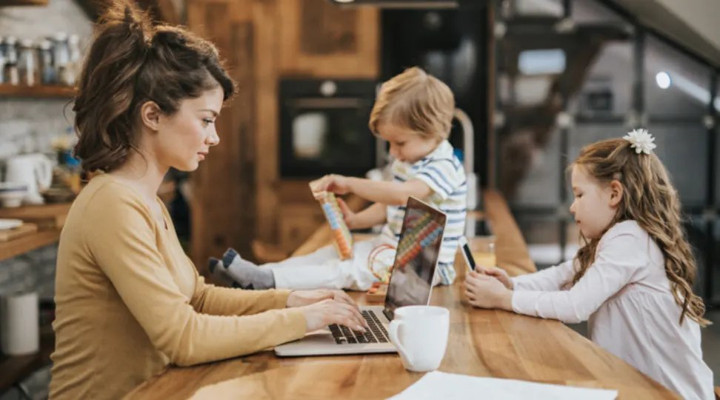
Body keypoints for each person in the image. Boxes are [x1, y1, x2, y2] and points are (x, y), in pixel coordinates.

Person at [49, 3, 368, 399]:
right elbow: (183, 337)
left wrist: (291, 300)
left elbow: (196, 297)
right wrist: (305, 319)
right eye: (205, 119)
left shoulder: (142, 198)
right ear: (152, 115)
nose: (214, 137)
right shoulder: (111, 205)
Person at [464, 130, 714, 399]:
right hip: (636, 388)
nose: (572, 207)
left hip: (668, 394)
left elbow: (575, 305)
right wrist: (511, 284)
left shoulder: (629, 237)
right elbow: (564, 274)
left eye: (579, 195)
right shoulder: (615, 238)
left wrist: (505, 299)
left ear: (614, 194)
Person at [215, 67, 467, 291]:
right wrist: (357, 220)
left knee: (345, 272)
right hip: (390, 249)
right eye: (388, 143)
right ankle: (265, 274)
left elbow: (402, 195)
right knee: (328, 255)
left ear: (433, 131)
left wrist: (350, 183)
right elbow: (393, 206)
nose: (392, 152)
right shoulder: (407, 160)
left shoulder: (443, 166)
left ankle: (269, 281)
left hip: (423, 269)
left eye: (399, 142)